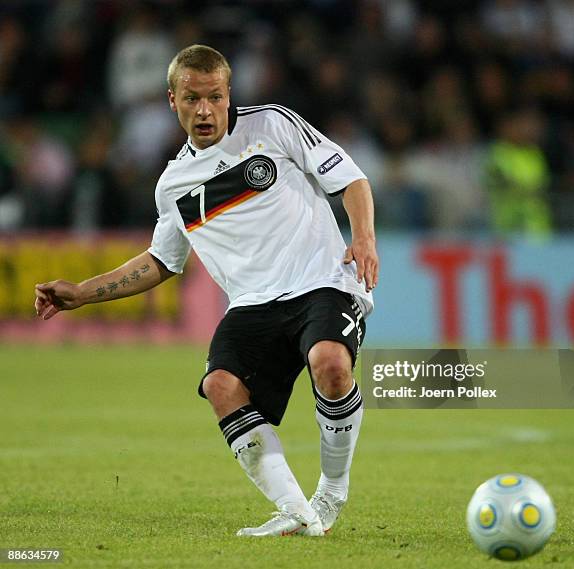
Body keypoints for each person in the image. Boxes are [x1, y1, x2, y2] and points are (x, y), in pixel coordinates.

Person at [34, 45, 378, 537]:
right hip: (252, 303)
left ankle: (331, 492)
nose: (204, 110)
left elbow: (351, 179)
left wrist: (363, 237)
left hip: (321, 279)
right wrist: (83, 293)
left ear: (228, 92)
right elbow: (161, 262)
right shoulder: (174, 184)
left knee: (330, 362)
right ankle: (296, 512)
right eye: (192, 98)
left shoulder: (273, 125)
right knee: (221, 387)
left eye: (214, 97)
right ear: (171, 99)